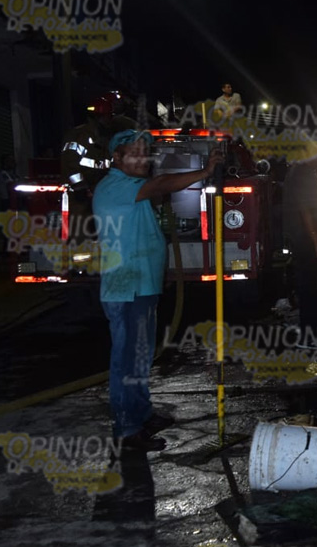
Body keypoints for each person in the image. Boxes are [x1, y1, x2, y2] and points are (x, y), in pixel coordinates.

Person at [94, 129, 223, 451]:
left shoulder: (133, 189)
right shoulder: (114, 186)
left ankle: (142, 414)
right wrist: (204, 172)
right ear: (117, 158)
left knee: (139, 359)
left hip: (142, 286)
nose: (142, 158)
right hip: (125, 290)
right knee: (126, 362)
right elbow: (161, 184)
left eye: (144, 152)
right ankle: (127, 430)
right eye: (134, 153)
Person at [281, 153, 317, 349]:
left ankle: (315, 332)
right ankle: (311, 336)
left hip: (307, 241)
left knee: (313, 289)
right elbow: (306, 212)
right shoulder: (302, 175)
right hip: (307, 243)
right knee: (311, 290)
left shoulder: (303, 173)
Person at [61, 92, 137, 192]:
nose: (110, 122)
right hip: (78, 194)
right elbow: (69, 163)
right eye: (108, 117)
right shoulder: (79, 136)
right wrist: (79, 185)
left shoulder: (104, 138)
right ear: (98, 117)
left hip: (97, 190)